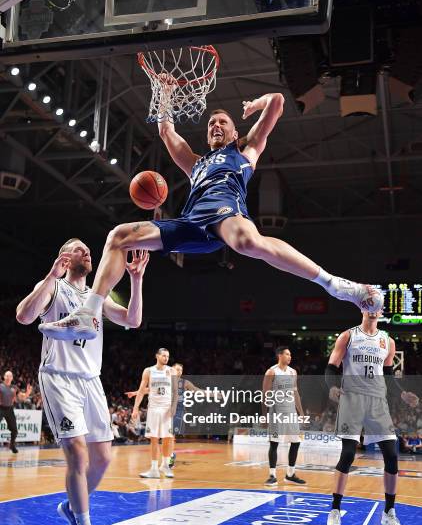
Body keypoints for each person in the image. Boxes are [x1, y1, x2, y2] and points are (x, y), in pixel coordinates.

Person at [39, 84, 383, 341]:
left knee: (248, 242)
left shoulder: (245, 153)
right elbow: (165, 130)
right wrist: (165, 93)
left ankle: (335, 285)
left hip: (226, 214)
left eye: (222, 122)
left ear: (235, 132)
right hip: (191, 225)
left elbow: (277, 102)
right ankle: (89, 313)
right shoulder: (195, 164)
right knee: (119, 236)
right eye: (210, 124)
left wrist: (255, 104)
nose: (215, 125)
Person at [16, 238, 149, 525]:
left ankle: (72, 506)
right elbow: (23, 316)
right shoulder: (54, 287)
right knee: (77, 452)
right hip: (58, 376)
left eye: (89, 250)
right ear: (64, 256)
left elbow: (133, 320)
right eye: (79, 249)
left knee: (102, 457)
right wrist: (49, 276)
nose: (87, 252)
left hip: (91, 380)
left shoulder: (96, 297)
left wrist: (135, 279)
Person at [325, 311, 419, 525]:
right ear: (361, 308)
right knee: (348, 454)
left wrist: (403, 393)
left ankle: (389, 513)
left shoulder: (388, 341)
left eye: (376, 303)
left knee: (392, 454)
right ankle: (335, 511)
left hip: (378, 401)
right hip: (352, 398)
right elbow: (331, 368)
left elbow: (387, 375)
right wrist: (331, 387)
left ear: (380, 311)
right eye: (368, 302)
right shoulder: (348, 336)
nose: (372, 307)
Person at [262, 347, 306, 486]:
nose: (290, 356)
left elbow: (295, 393)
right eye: (287, 354)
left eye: (290, 354)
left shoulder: (293, 372)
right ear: (279, 355)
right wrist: (264, 415)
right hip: (276, 411)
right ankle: (272, 475)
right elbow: (265, 394)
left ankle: (290, 474)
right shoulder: (271, 372)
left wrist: (301, 412)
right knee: (274, 443)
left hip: (291, 412)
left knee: (296, 442)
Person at [130, 348, 176, 479]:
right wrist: (135, 408)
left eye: (167, 356)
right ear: (157, 356)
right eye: (163, 356)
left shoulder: (171, 371)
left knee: (168, 438)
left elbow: (175, 392)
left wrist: (174, 406)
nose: (166, 358)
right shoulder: (148, 371)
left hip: (167, 408)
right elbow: (141, 390)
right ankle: (154, 469)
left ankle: (165, 465)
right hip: (154, 408)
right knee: (154, 439)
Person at [0, 371, 32, 453]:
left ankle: (12, 445)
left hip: (9, 409)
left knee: (14, 430)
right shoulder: (0, 386)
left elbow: (21, 398)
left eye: (10, 376)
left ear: (12, 378)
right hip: (0, 408)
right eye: (7, 376)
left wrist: (27, 392)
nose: (8, 377)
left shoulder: (14, 388)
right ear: (4, 377)